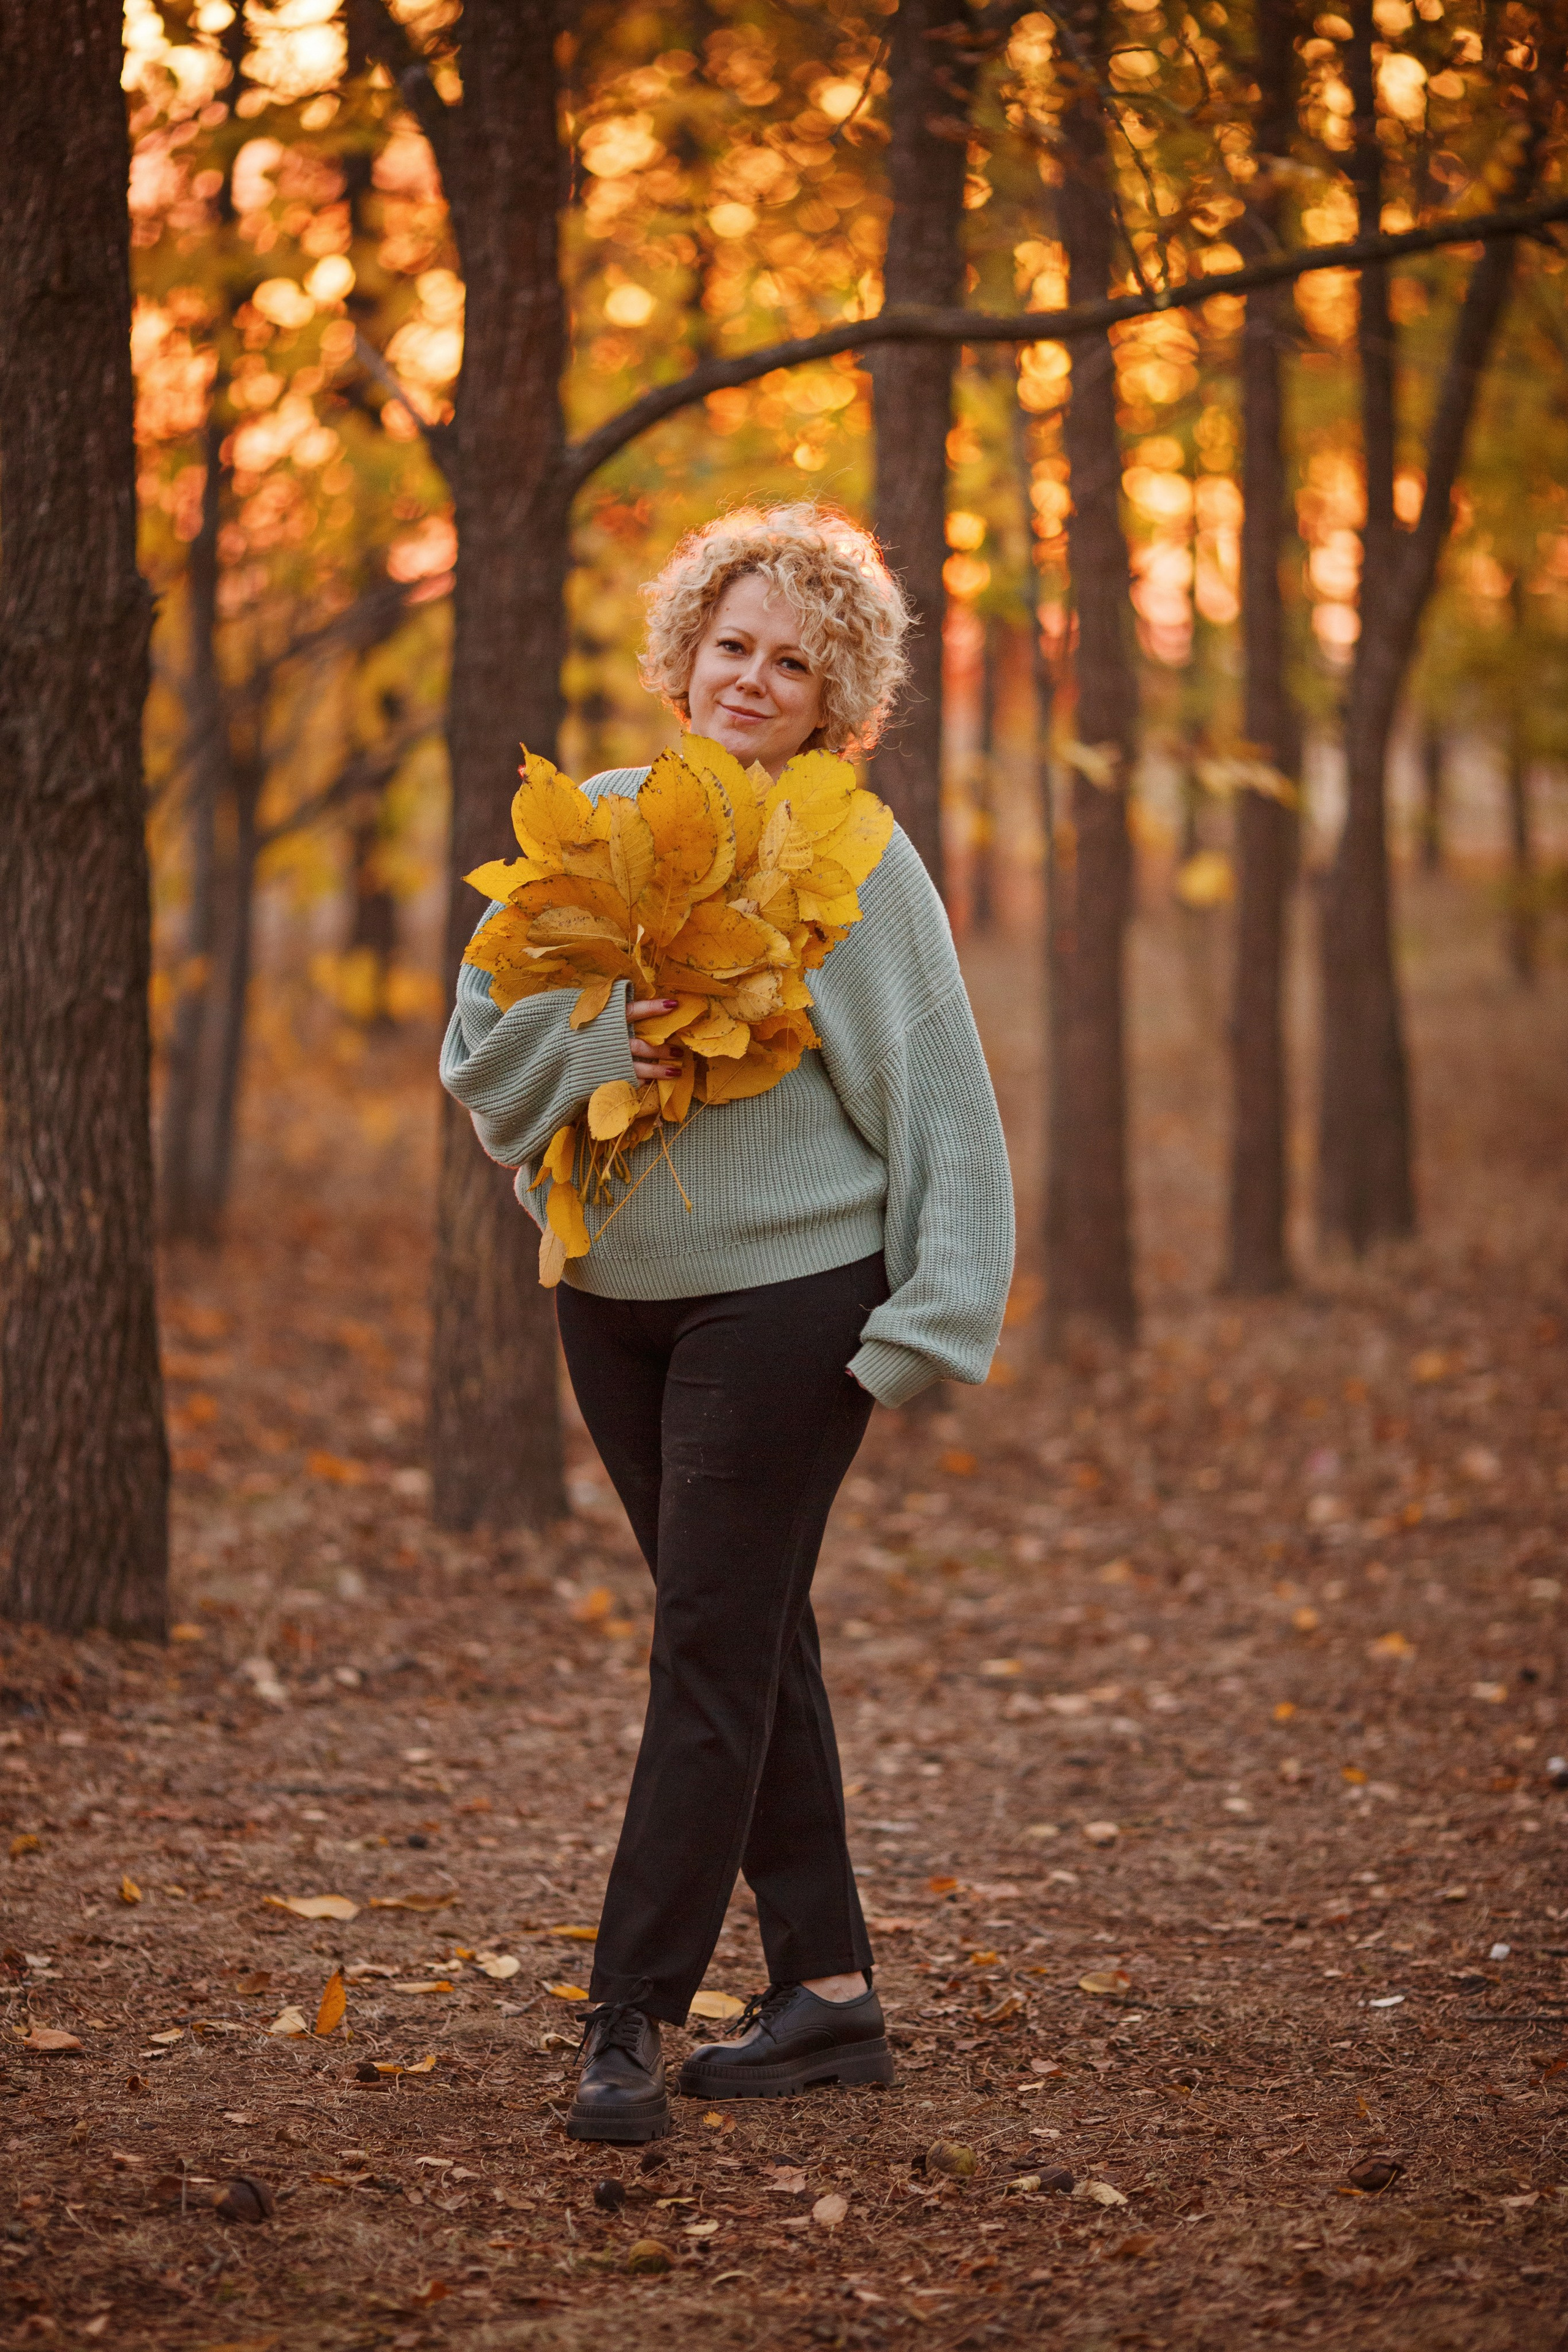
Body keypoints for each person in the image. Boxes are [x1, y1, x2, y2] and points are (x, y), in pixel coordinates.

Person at [440, 503, 1014, 2143]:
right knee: (749, 1635)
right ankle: (827, 1994)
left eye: (794, 663)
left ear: (838, 699)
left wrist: (933, 1319)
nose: (753, 678)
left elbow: (945, 1101)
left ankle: (628, 2016)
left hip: (791, 1302)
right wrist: (596, 1042)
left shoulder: (856, 858)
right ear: (684, 654)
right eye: (733, 644)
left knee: (705, 1646)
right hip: (610, 1306)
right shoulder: (598, 823)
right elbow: (481, 1055)